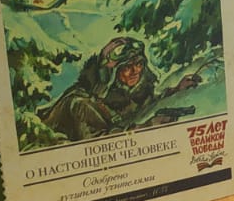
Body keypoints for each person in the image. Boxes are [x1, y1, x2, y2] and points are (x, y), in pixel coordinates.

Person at [39, 35, 200, 142]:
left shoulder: (131, 91)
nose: (135, 71)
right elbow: (99, 143)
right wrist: (146, 127)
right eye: (127, 67)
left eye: (139, 64)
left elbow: (144, 105)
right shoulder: (81, 103)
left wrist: (176, 90)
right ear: (111, 74)